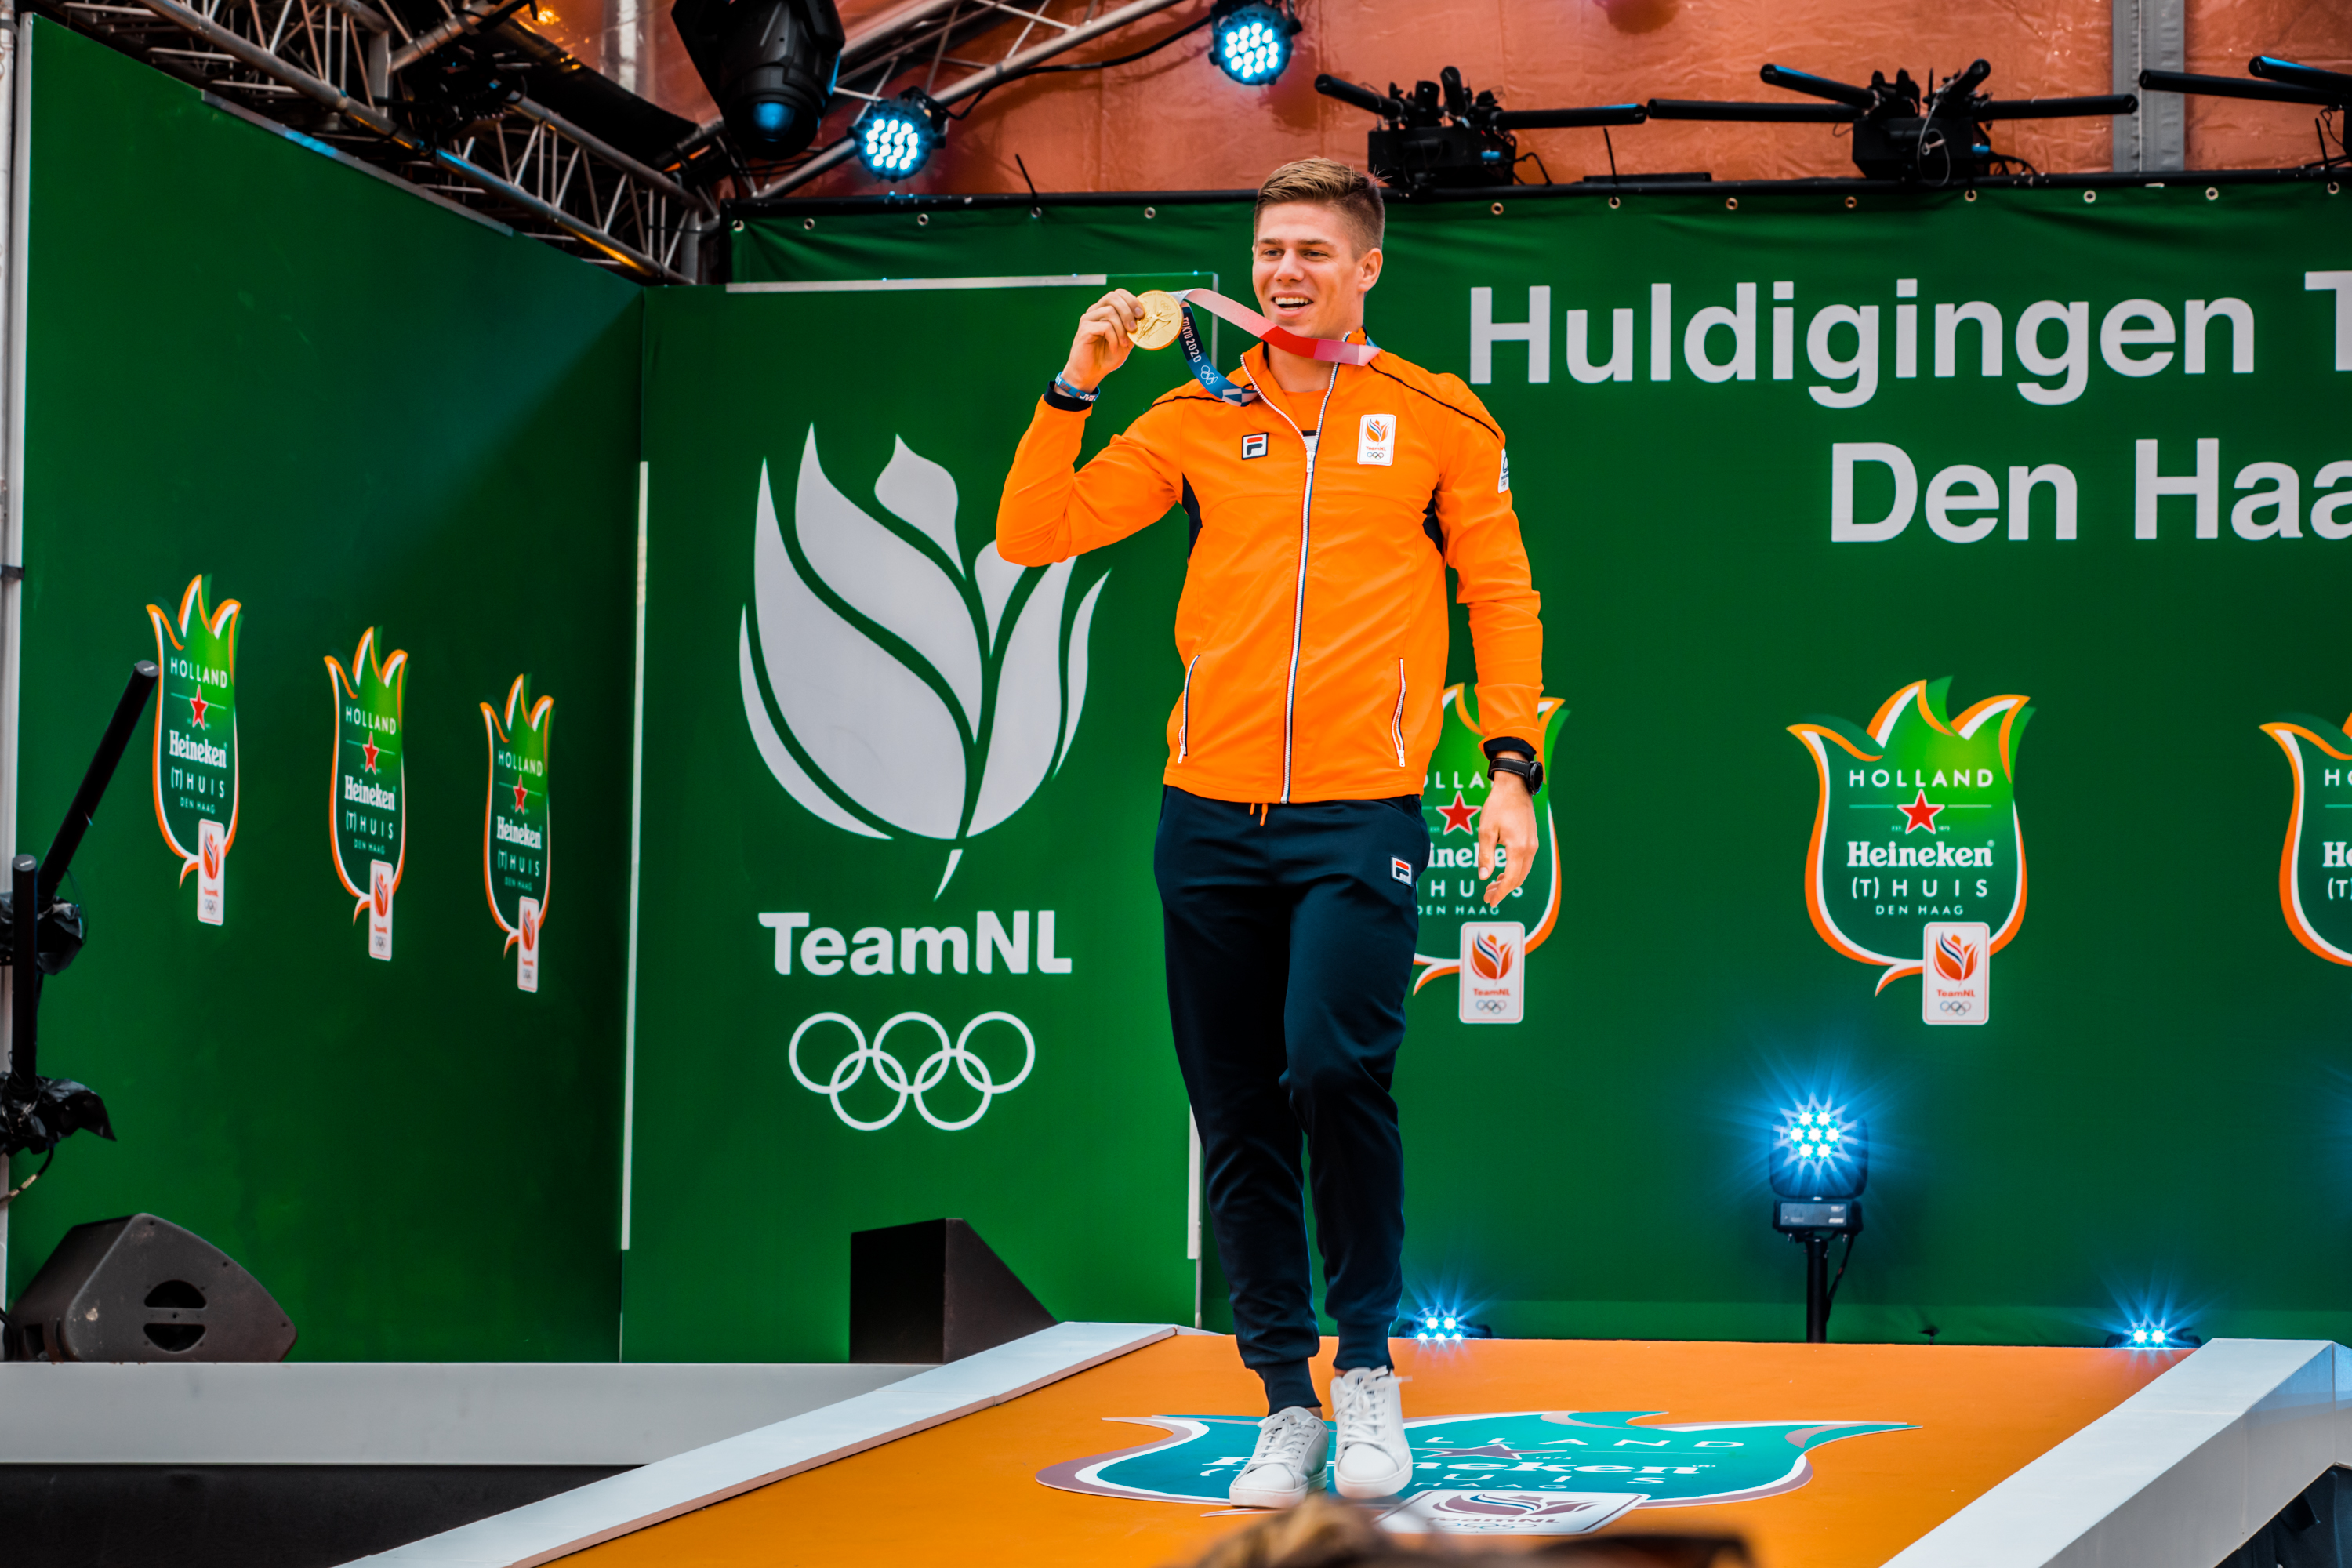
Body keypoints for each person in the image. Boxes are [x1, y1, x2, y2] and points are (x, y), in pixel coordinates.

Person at [996, 156, 1545, 1508]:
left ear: (1367, 268)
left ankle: (1368, 1372)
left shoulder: (1438, 414)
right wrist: (1074, 385)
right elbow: (1032, 531)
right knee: (1235, 1109)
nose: (1284, 273)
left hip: (1362, 812)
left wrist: (1513, 770)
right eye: (1269, 252)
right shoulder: (1193, 416)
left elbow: (1502, 593)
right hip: (1208, 816)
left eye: (1311, 251)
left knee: (1333, 1072)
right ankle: (1284, 1402)